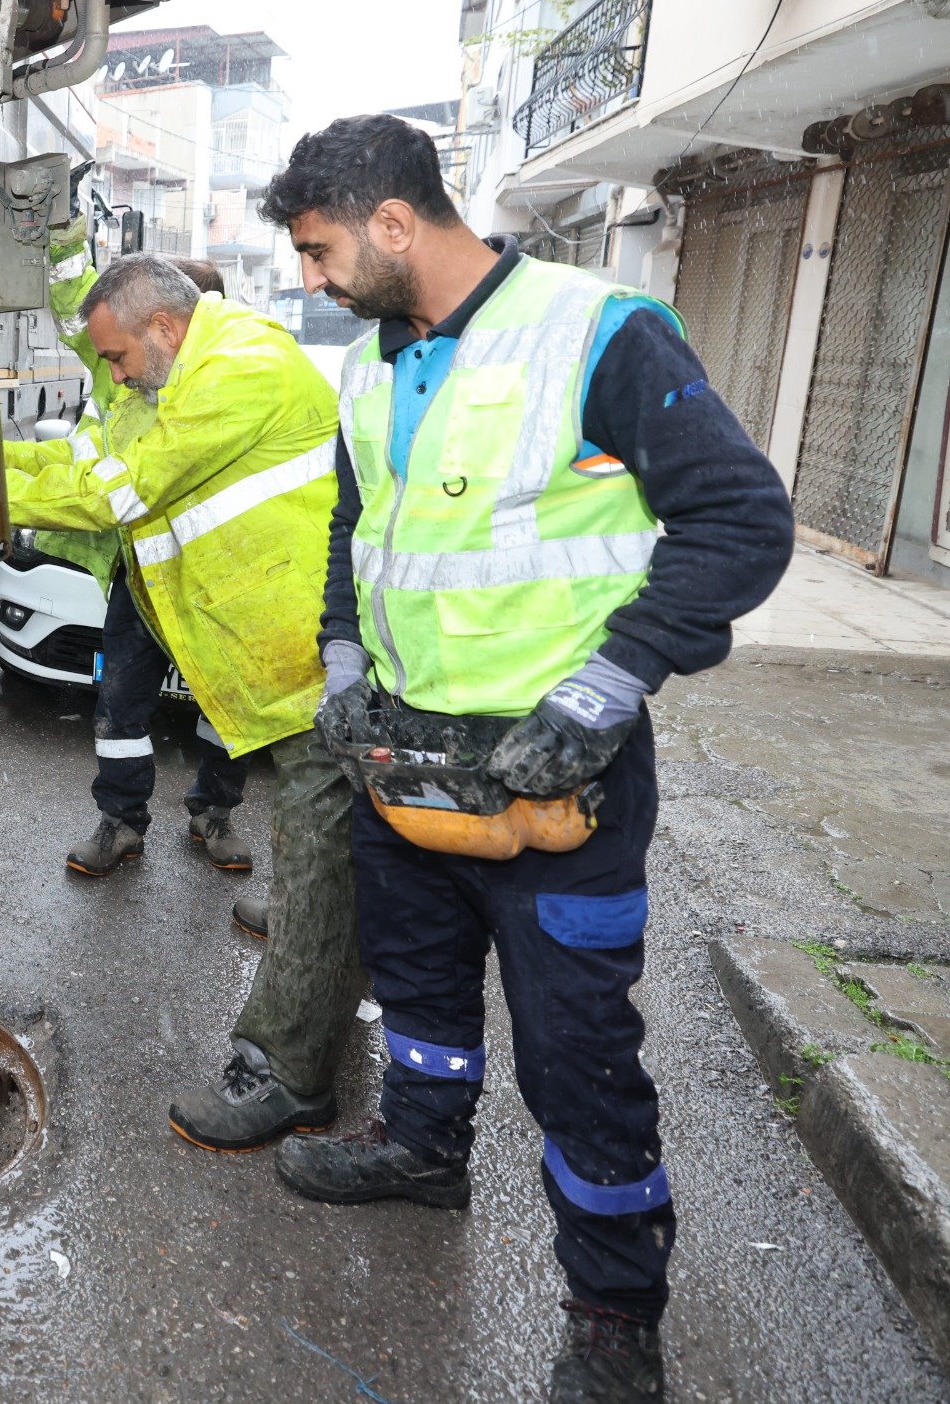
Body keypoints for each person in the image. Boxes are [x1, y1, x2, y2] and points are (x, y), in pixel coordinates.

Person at [258, 116, 794, 1404]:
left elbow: (738, 519)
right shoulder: (376, 365)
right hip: (406, 760)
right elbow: (355, 528)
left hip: (560, 778)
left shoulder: (596, 330)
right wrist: (343, 666)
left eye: (323, 253)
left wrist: (610, 688)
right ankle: (422, 1149)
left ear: (394, 222)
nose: (314, 282)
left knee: (575, 1055)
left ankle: (615, 1312)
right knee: (422, 994)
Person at [5, 253, 370, 1150]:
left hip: (313, 663)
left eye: (123, 356)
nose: (117, 374)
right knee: (318, 841)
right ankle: (316, 942)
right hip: (288, 658)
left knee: (324, 853)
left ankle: (286, 1069)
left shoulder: (237, 366)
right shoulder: (184, 367)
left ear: (165, 328)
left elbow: (119, 491)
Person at [13, 234, 251, 876]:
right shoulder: (127, 386)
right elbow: (82, 470)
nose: (119, 369)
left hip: (213, 582)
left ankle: (214, 813)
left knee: (225, 707)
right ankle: (121, 823)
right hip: (142, 579)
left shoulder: (226, 394)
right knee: (120, 703)